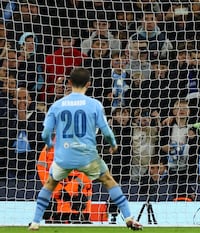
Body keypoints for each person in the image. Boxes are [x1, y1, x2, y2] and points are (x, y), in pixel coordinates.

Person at [28, 68, 142, 231]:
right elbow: (106, 131)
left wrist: (50, 144)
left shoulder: (57, 105)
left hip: (64, 155)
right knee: (109, 181)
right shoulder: (94, 104)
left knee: (49, 184)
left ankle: (35, 221)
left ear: (69, 83)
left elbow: (46, 133)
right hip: (86, 156)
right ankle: (129, 218)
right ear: (88, 84)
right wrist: (113, 144)